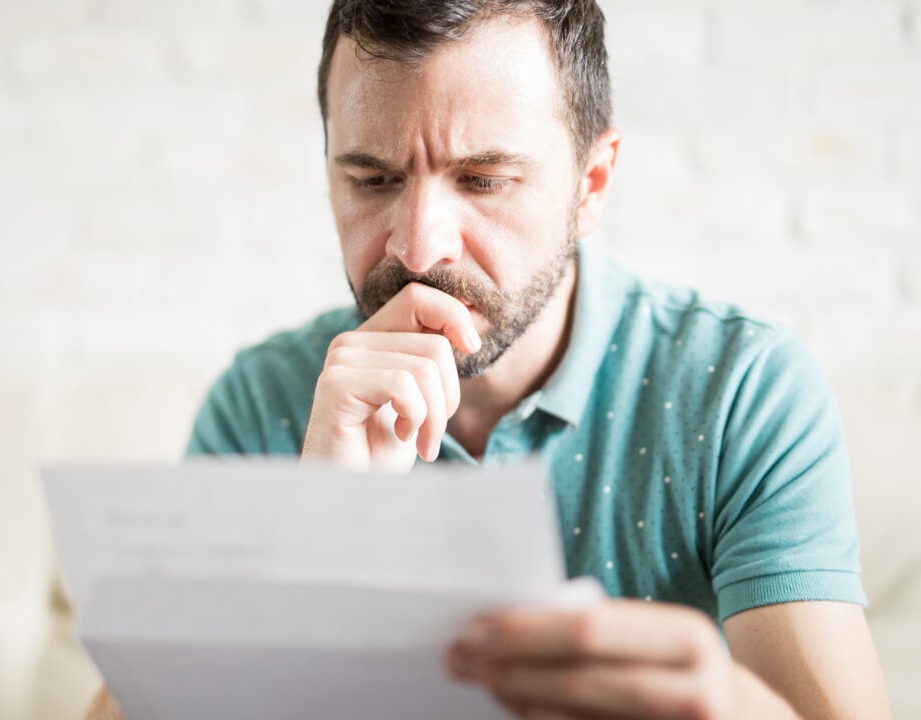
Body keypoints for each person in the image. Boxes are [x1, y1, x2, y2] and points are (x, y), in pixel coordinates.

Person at [89, 1, 892, 718]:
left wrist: (723, 705)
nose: (416, 246)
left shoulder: (740, 391)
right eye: (371, 179)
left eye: (483, 179)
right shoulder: (262, 400)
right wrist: (314, 529)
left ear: (593, 182)